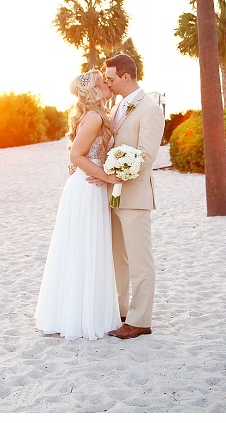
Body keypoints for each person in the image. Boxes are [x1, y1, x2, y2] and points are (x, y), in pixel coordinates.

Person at [34, 70, 122, 340]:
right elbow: (76, 154)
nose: (108, 84)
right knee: (86, 246)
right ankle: (80, 316)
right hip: (87, 187)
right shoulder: (95, 117)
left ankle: (79, 312)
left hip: (88, 185)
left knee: (84, 247)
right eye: (102, 81)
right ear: (94, 89)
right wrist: (105, 176)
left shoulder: (95, 115)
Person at [89, 53, 164, 339]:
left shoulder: (150, 110)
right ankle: (120, 312)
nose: (107, 83)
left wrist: (120, 172)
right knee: (117, 258)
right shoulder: (118, 106)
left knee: (139, 260)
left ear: (126, 77)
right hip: (112, 195)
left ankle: (141, 320)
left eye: (110, 78)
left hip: (134, 195)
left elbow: (146, 155)